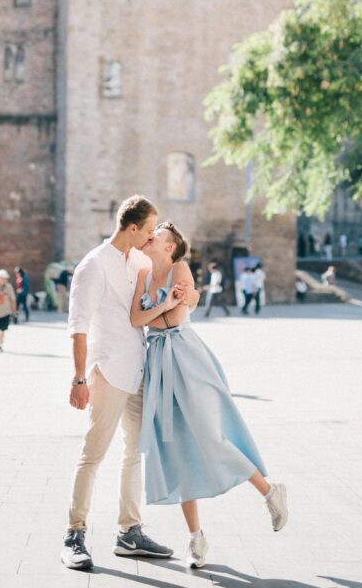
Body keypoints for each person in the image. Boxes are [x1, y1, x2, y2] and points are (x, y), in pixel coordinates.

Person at [132, 222, 288, 569]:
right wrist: (163, 306)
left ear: (169, 246)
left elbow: (174, 319)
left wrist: (163, 310)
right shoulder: (143, 275)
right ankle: (196, 538)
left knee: (210, 435)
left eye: (158, 232)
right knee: (176, 448)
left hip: (187, 358)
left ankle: (269, 492)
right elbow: (136, 319)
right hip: (158, 363)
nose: (151, 234)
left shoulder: (179, 269)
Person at [61, 195, 199, 571]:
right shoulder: (93, 266)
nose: (153, 235)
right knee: (93, 454)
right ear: (133, 227)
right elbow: (78, 327)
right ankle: (74, 534)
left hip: (139, 371)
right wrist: (79, 378)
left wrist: (192, 294)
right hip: (108, 371)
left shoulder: (138, 260)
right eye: (150, 228)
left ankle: (129, 532)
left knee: (134, 454)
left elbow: (173, 282)